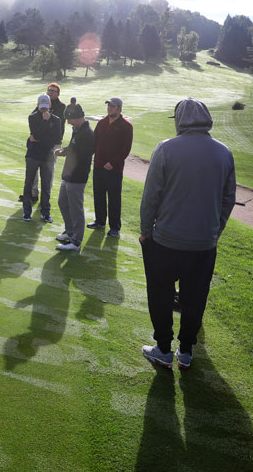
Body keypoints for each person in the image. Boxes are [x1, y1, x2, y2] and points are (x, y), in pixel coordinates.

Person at [139, 98, 235, 368]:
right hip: (204, 244)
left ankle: (163, 349)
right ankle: (187, 351)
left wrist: (146, 231)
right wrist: (216, 231)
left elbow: (151, 197)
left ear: (180, 120)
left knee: (160, 294)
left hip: (166, 241)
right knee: (195, 297)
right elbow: (228, 199)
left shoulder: (166, 149)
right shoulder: (224, 152)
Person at [89, 97, 133, 237]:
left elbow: (126, 149)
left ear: (119, 109)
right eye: (108, 106)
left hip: (114, 169)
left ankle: (115, 227)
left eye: (112, 106)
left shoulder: (126, 126)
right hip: (99, 166)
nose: (109, 108)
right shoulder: (102, 122)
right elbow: (94, 142)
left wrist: (113, 163)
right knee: (99, 195)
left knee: (114, 199)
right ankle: (100, 222)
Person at [54, 108, 95, 252]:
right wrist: (64, 151)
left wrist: (68, 151)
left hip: (77, 177)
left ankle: (76, 241)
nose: (69, 123)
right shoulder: (77, 130)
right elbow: (73, 148)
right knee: (63, 202)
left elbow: (82, 156)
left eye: (70, 120)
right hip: (68, 175)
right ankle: (70, 233)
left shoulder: (87, 134)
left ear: (78, 118)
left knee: (76, 208)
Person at [20, 83, 66, 203]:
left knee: (48, 171)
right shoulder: (41, 103)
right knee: (34, 171)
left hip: (53, 143)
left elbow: (56, 129)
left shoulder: (61, 107)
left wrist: (39, 135)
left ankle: (46, 197)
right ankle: (33, 193)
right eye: (49, 90)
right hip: (39, 144)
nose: (51, 92)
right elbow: (34, 123)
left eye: (54, 91)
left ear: (58, 93)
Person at [22, 94, 61, 222]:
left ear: (49, 105)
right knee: (29, 183)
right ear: (38, 105)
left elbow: (56, 138)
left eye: (46, 107)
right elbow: (36, 133)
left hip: (47, 155)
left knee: (46, 185)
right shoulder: (32, 117)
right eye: (41, 107)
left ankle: (45, 212)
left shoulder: (56, 120)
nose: (44, 110)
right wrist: (44, 122)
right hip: (33, 155)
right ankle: (26, 212)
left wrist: (38, 138)